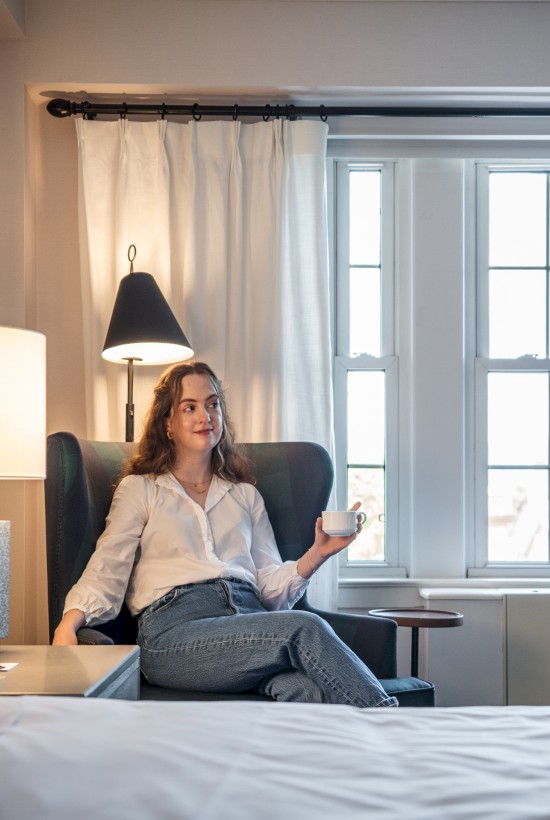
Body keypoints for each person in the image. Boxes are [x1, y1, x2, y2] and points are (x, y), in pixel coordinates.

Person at [53, 361, 398, 708]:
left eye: (213, 404)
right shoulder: (140, 490)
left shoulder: (245, 495)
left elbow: (268, 589)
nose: (206, 415)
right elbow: (107, 568)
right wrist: (68, 625)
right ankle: (392, 728)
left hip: (249, 624)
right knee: (305, 627)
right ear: (168, 424)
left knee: (302, 690)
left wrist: (318, 553)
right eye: (190, 407)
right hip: (174, 633)